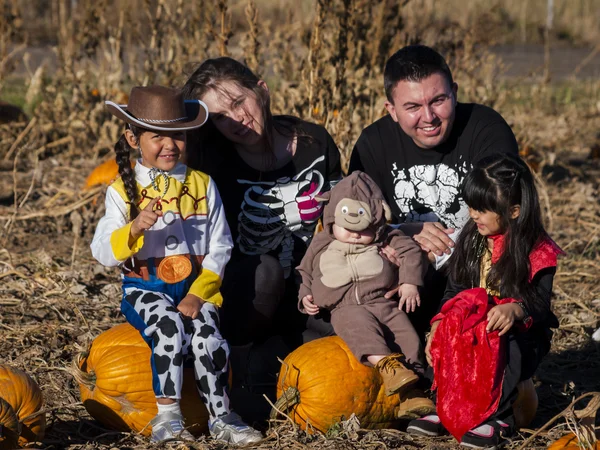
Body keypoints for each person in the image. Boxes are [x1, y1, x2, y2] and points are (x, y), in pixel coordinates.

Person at [90, 85, 262, 445]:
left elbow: (221, 245)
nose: (170, 145)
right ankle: (167, 417)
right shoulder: (122, 191)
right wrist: (134, 228)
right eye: (158, 137)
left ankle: (222, 418)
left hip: (195, 289)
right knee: (168, 329)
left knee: (208, 340)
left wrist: (199, 295)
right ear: (133, 138)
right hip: (146, 288)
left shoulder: (203, 184)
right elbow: (103, 252)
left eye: (178, 136)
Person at [348, 45, 519, 331]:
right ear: (391, 109)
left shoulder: (487, 130)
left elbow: (508, 213)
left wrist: (443, 248)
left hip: (476, 276)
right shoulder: (372, 146)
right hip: (405, 276)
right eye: (413, 107)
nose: (428, 117)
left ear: (454, 91)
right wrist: (404, 232)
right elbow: (352, 224)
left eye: (438, 100)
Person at [182, 57, 342, 348]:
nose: (237, 118)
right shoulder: (212, 164)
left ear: (263, 91)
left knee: (346, 329)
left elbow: (339, 216)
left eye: (239, 102)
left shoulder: (314, 142)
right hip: (247, 292)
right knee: (266, 272)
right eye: (220, 117)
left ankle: (278, 350)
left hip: (308, 286)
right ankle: (240, 363)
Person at [406, 153, 562, 449]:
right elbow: (454, 290)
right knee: (447, 335)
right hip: (473, 325)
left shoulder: (537, 251)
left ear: (514, 211)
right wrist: (439, 324)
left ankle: (499, 417)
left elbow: (540, 306)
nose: (473, 214)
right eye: (471, 206)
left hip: (519, 333)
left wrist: (516, 308)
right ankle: (447, 407)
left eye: (483, 209)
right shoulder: (473, 238)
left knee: (508, 346)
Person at [296, 171, 435, 419]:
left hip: (382, 302)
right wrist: (305, 296)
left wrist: (409, 282)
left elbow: (411, 253)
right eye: (347, 228)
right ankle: (386, 365)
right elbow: (305, 270)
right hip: (344, 307)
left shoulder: (387, 237)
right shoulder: (321, 242)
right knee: (358, 328)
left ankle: (412, 395)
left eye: (365, 229)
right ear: (332, 220)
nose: (356, 235)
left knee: (408, 337)